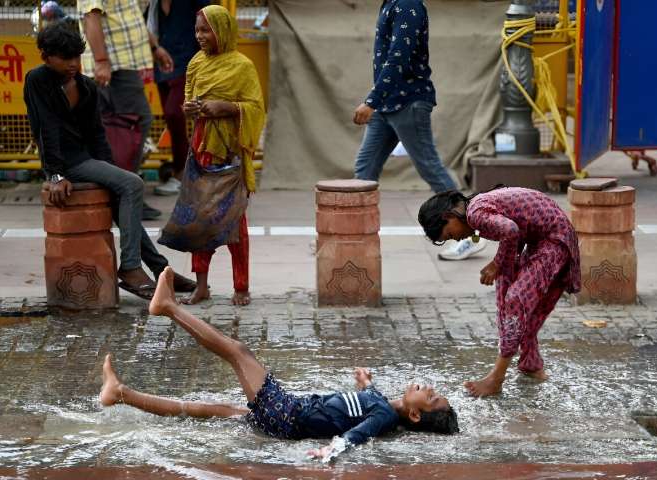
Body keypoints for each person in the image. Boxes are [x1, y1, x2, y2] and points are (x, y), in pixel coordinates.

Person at [100, 267, 459, 461]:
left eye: (430, 398)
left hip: (287, 413)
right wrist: (364, 380)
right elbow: (368, 400)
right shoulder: (382, 405)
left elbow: (355, 435)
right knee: (209, 409)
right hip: (286, 419)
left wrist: (331, 450)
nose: (429, 388)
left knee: (238, 352)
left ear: (414, 415)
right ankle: (120, 394)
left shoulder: (382, 417)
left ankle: (167, 307)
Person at [24, 22, 197, 299]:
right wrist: (55, 175)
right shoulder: (37, 80)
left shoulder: (87, 86)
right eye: (64, 58)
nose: (72, 64)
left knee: (121, 194)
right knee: (133, 184)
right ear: (45, 56)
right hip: (67, 163)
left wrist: (110, 171)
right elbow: (46, 127)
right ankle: (130, 268)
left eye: (76, 58)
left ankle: (161, 269)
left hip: (87, 159)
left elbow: (97, 134)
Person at [351, 0, 485, 263]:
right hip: (389, 103)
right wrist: (378, 101)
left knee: (430, 168)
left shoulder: (407, 4)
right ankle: (349, 232)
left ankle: (470, 236)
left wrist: (372, 101)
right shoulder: (392, 4)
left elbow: (399, 56)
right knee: (364, 168)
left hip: (407, 102)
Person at [417, 187, 581, 397]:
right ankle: (531, 366)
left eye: (450, 234)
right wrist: (503, 268)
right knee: (506, 298)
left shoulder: (475, 214)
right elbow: (517, 227)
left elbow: (511, 230)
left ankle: (497, 378)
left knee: (516, 300)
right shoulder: (475, 210)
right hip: (535, 241)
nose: (456, 240)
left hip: (554, 241)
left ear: (448, 216)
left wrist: (496, 264)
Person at [157, 5, 264, 307]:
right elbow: (190, 102)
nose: (200, 36)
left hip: (230, 155)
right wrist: (190, 109)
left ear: (223, 31)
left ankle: (241, 286)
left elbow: (255, 108)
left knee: (235, 223)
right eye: (197, 30)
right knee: (198, 222)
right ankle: (201, 285)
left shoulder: (242, 66)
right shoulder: (194, 63)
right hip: (201, 150)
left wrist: (227, 108)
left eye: (206, 30)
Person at [77, 0, 168, 220]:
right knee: (131, 128)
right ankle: (124, 194)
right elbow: (91, 17)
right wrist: (101, 60)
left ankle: (121, 193)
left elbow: (129, 16)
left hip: (122, 65)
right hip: (114, 67)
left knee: (123, 130)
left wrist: (155, 47)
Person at [145, 0, 210, 196]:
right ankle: (181, 170)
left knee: (176, 113)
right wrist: (155, 49)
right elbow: (145, 27)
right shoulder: (153, 4)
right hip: (162, 66)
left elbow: (208, 26)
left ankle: (183, 172)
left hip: (188, 64)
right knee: (171, 118)